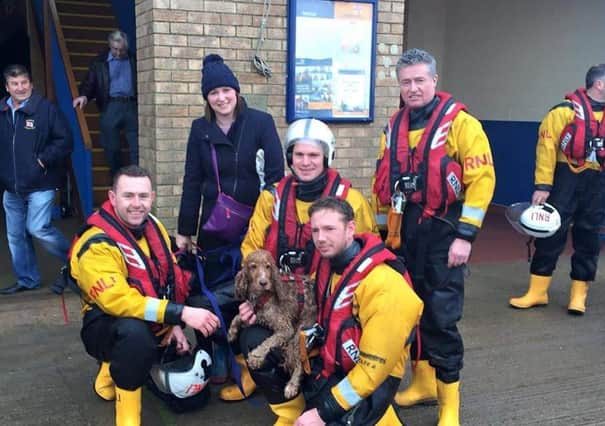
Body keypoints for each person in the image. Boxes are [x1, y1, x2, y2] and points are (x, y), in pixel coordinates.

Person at [372, 48, 495, 424]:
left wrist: (466, 237)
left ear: (434, 80)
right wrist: (381, 236)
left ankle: (449, 408)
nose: (413, 88)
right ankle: (423, 382)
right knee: (409, 312)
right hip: (403, 235)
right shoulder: (392, 127)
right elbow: (382, 187)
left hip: (444, 234)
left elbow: (482, 182)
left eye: (420, 80)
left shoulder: (461, 125)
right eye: (406, 81)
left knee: (441, 319)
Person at [221, 118, 378, 410]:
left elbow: (366, 260)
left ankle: (318, 396)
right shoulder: (271, 198)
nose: (305, 162)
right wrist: (254, 298)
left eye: (313, 155)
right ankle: (286, 408)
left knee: (328, 355)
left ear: (327, 156)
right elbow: (251, 250)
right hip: (278, 301)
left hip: (326, 305)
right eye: (298, 154)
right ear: (289, 157)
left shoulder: (351, 201)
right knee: (250, 336)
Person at [248, 197, 422, 425]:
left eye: (329, 229)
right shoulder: (327, 264)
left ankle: (383, 418)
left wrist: (323, 413)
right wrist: (257, 305)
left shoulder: (386, 286)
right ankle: (292, 415)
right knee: (253, 339)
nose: (320, 238)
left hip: (371, 382)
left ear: (351, 228)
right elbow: (298, 302)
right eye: (316, 230)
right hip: (331, 364)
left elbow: (372, 372)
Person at [70, 165, 220, 426]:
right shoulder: (96, 243)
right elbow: (117, 300)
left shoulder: (155, 227)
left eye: (143, 196)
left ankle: (113, 372)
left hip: (152, 316)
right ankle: (127, 416)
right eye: (128, 196)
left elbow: (170, 277)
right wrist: (180, 314)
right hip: (105, 326)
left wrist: (174, 325)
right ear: (112, 197)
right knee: (134, 335)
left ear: (152, 197)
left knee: (204, 299)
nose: (136, 204)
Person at [176, 53, 284, 383]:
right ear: (206, 98)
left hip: (254, 225)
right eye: (214, 93)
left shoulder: (260, 123)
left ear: (236, 91)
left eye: (226, 90)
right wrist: (184, 230)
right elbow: (192, 179)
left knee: (250, 291)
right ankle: (216, 349)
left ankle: (245, 353)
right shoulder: (200, 129)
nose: (221, 98)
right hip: (213, 225)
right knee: (209, 291)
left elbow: (277, 175)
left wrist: (270, 223)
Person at [509, 64, 605, 315]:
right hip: (565, 179)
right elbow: (546, 149)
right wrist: (543, 186)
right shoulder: (563, 112)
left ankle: (578, 295)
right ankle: (537, 291)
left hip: (597, 181)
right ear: (600, 84)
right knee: (551, 234)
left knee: (589, 237)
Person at [0, 64, 73, 295]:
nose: (20, 87)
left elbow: (65, 140)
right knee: (16, 236)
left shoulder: (46, 110)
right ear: (7, 87)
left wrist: (42, 161)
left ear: (31, 84)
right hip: (11, 188)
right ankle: (27, 279)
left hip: (40, 184)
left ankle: (77, 261)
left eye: (24, 83)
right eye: (15, 84)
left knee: (37, 228)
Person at [73, 30, 138, 177]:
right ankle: (117, 180)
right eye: (115, 49)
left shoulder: (135, 59)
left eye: (121, 49)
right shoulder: (99, 62)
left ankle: (137, 180)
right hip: (110, 106)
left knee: (137, 147)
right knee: (111, 148)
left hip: (131, 106)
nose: (118, 52)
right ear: (110, 46)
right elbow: (90, 82)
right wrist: (84, 96)